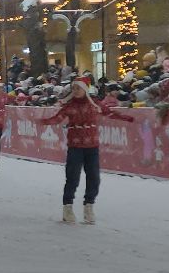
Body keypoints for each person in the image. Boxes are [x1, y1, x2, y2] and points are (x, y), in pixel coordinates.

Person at [39, 79, 132, 224]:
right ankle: (67, 207)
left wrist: (128, 118)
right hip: (75, 147)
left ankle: (89, 206)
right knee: (72, 178)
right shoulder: (69, 106)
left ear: (85, 89)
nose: (75, 91)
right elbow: (57, 119)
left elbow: (109, 113)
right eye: (73, 88)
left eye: (78, 88)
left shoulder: (94, 104)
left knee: (94, 177)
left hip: (92, 146)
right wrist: (42, 121)